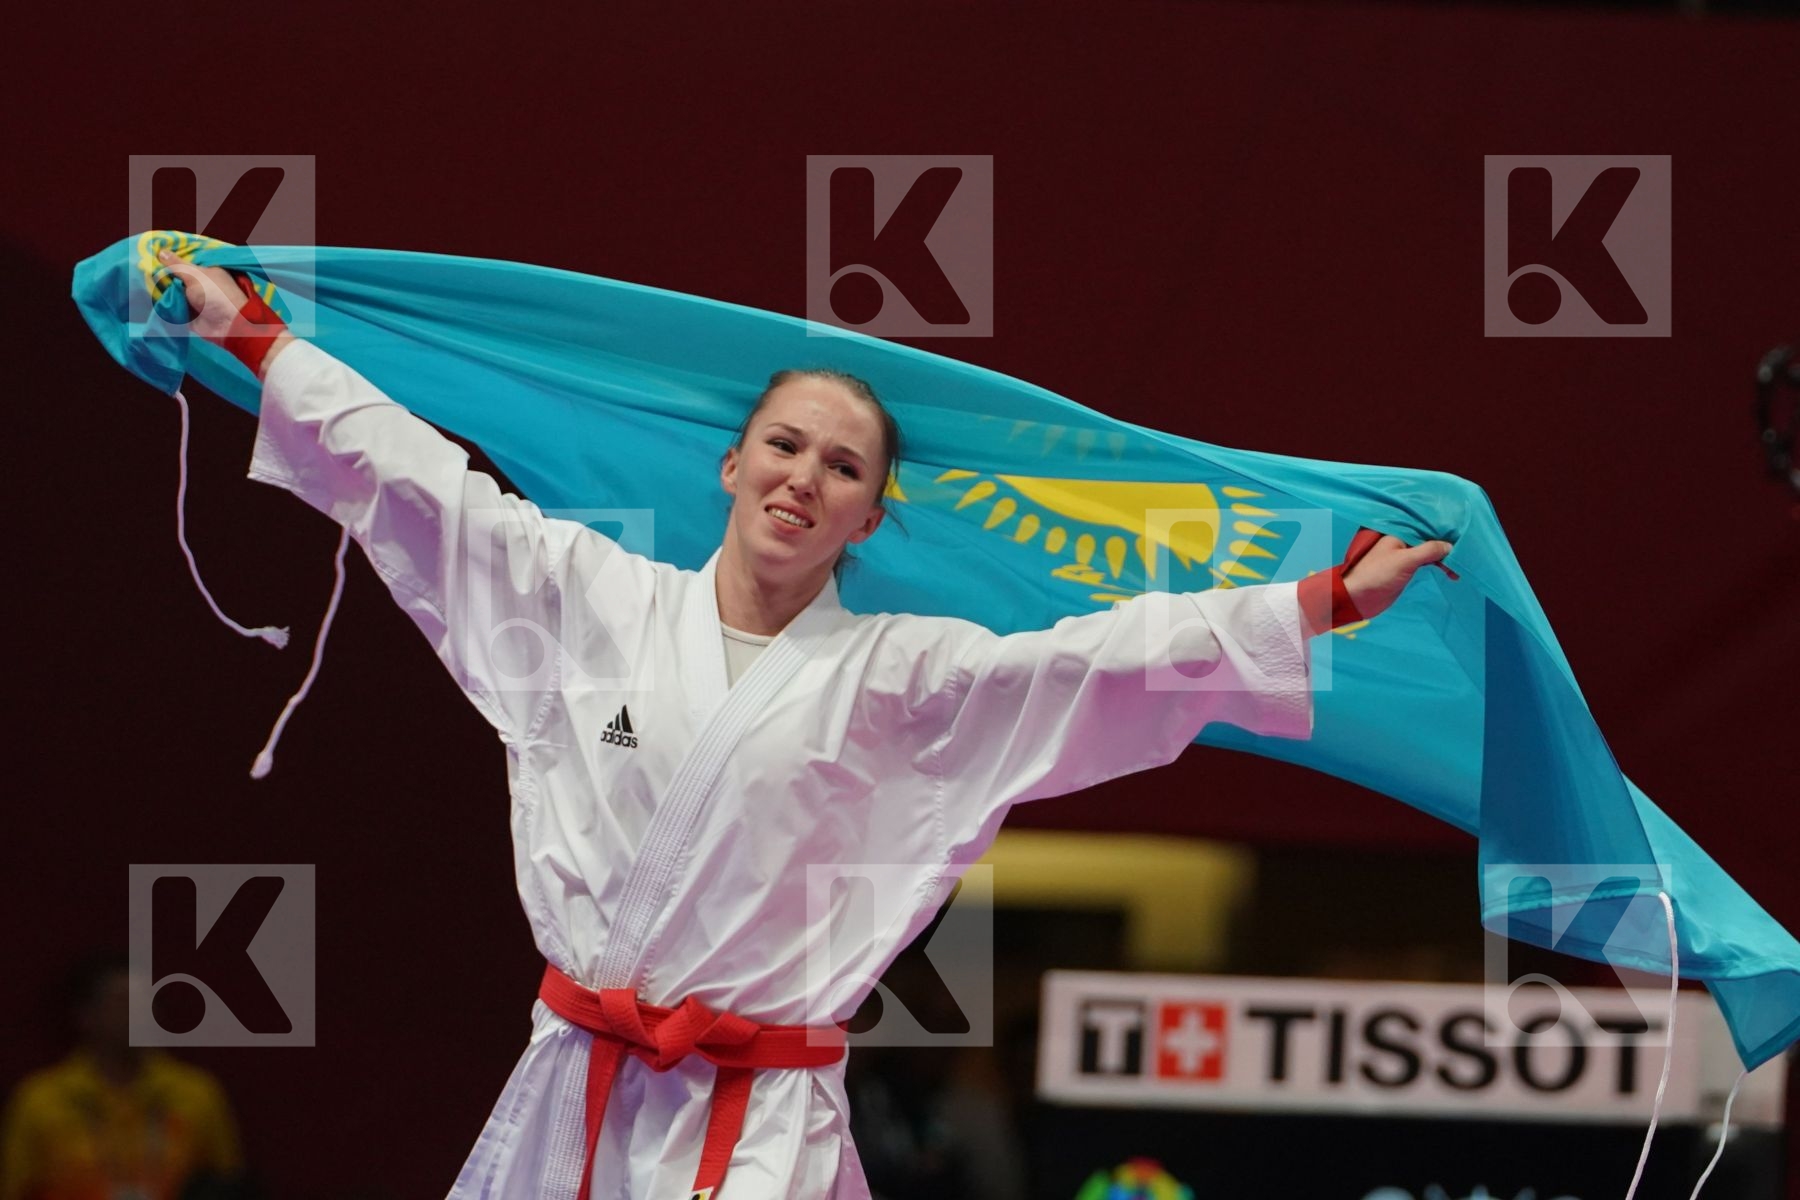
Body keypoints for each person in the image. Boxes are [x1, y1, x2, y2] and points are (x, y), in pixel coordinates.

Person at [153, 250, 1451, 1200]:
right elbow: (421, 485)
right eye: (785, 445)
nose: (805, 477)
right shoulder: (589, 601)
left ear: (870, 520)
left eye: (844, 467)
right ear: (731, 466)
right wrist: (258, 338)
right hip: (574, 1092)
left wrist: (1327, 599)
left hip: (760, 1127)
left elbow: (1104, 660)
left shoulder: (904, 681)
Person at [0, 951, 245, 1200]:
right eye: (123, 1002)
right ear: (86, 1015)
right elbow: (12, 1188)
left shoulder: (197, 1093)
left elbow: (226, 1187)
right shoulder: (41, 1099)